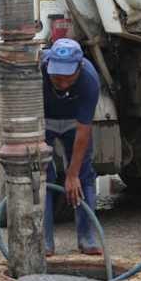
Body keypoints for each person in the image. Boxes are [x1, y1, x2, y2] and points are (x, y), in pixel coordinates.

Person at [41, 38, 101, 257]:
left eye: (68, 78)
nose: (62, 83)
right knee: (42, 177)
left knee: (83, 177)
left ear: (79, 67)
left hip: (74, 123)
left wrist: (72, 174)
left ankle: (86, 238)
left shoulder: (89, 79)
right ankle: (45, 242)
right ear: (49, 66)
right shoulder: (38, 71)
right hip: (42, 120)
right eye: (57, 77)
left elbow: (84, 130)